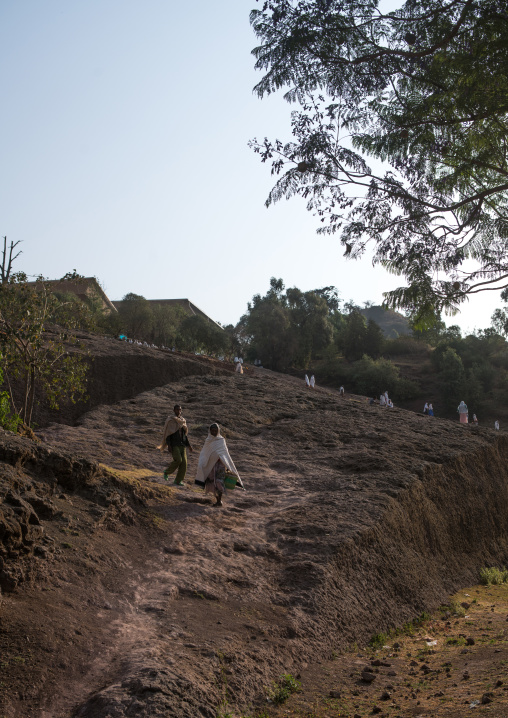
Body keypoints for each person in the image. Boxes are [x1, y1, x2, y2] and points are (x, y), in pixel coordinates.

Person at [195, 423, 244, 506]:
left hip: (220, 466)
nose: (214, 432)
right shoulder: (208, 440)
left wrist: (228, 464)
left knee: (219, 482)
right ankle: (217, 500)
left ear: (218, 431)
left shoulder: (221, 440)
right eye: (212, 431)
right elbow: (204, 453)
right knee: (212, 483)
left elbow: (225, 454)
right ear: (210, 431)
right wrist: (202, 463)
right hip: (211, 466)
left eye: (215, 431)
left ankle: (219, 501)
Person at [157, 404, 193, 485]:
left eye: (180, 410)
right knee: (178, 460)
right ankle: (166, 472)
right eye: (177, 410)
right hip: (174, 445)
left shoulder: (183, 421)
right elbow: (168, 434)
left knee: (184, 463)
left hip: (182, 445)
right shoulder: (171, 420)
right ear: (174, 410)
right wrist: (169, 445)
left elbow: (184, 436)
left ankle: (178, 480)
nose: (178, 411)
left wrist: (189, 445)